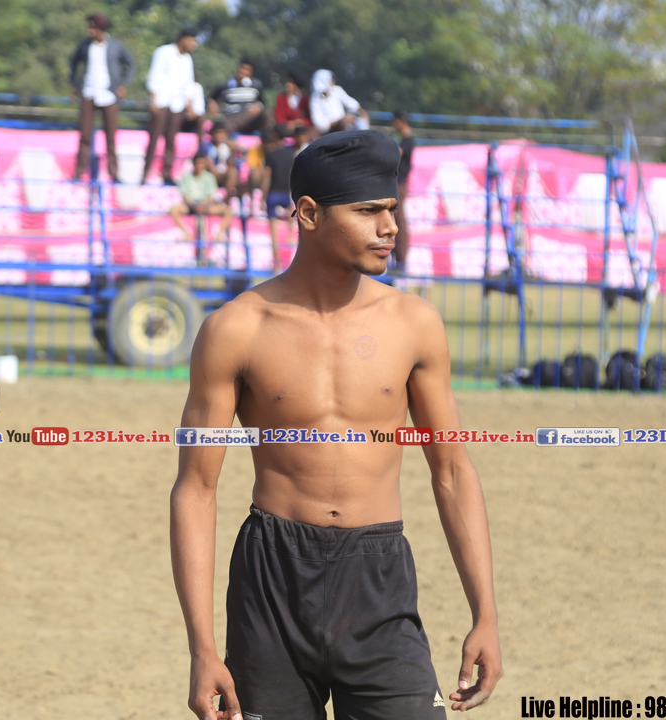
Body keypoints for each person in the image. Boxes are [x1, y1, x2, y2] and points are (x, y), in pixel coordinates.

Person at [169, 129, 502, 720]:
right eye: (368, 211)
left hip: (378, 575)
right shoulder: (236, 329)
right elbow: (196, 488)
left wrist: (486, 614)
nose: (389, 227)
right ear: (309, 214)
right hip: (272, 580)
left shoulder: (414, 323)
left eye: (392, 209)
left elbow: (452, 470)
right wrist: (202, 649)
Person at [69, 12, 136, 182]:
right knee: (85, 136)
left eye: (93, 28)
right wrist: (74, 84)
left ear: (101, 29)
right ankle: (79, 171)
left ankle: (113, 172)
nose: (90, 31)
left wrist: (123, 85)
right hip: (88, 94)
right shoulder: (85, 45)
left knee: (111, 137)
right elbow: (73, 62)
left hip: (109, 96)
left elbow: (131, 64)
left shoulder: (116, 46)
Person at [142, 29, 199, 185]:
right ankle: (145, 172)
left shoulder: (187, 59)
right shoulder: (164, 52)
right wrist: (153, 100)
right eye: (192, 41)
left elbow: (188, 83)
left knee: (171, 140)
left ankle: (167, 173)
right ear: (184, 39)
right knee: (154, 139)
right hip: (161, 102)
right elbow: (154, 75)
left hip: (177, 104)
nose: (194, 45)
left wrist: (190, 105)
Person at [169, 154, 233, 252]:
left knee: (227, 210)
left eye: (202, 163)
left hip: (206, 206)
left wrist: (203, 205)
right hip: (190, 206)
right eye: (198, 163)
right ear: (193, 164)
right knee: (174, 209)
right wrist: (193, 205)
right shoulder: (186, 177)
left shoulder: (209, 177)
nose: (200, 166)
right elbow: (184, 196)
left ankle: (219, 236)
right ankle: (187, 234)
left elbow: (211, 197)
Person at [260, 129, 300, 272]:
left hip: (273, 194)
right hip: (285, 194)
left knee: (274, 232)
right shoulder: (290, 156)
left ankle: (276, 264)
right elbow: (292, 177)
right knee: (291, 224)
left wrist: (262, 198)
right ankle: (291, 240)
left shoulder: (270, 155)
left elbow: (267, 177)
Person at [207, 59, 267, 135]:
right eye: (242, 68)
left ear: (251, 73)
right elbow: (210, 99)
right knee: (225, 126)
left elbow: (262, 103)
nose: (243, 71)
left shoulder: (256, 85)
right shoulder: (225, 85)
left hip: (250, 119)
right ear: (237, 68)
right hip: (232, 118)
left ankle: (266, 138)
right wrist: (212, 105)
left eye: (247, 70)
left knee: (266, 114)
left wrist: (258, 107)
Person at [309, 69, 370, 134]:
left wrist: (363, 114)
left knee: (361, 123)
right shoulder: (315, 100)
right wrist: (340, 122)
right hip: (330, 133)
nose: (333, 82)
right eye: (330, 80)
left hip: (345, 126)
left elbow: (352, 104)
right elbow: (320, 125)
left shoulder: (337, 90)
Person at [391, 109, 415, 273]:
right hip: (398, 185)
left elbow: (394, 154)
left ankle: (400, 263)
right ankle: (398, 261)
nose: (394, 125)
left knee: (399, 223)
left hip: (399, 185)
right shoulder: (405, 140)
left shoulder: (407, 141)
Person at [198, 122, 240, 197]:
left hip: (223, 174)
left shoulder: (226, 147)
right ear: (212, 133)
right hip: (210, 175)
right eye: (217, 133)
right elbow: (209, 166)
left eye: (222, 133)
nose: (219, 136)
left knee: (233, 171)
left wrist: (233, 152)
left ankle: (229, 196)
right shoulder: (206, 146)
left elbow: (231, 163)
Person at [274, 73, 311, 137]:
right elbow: (279, 117)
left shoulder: (306, 99)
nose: (287, 84)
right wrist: (289, 124)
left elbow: (310, 119)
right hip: (286, 128)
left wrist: (298, 122)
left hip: (302, 128)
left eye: (290, 82)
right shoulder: (281, 98)